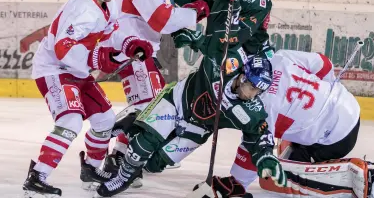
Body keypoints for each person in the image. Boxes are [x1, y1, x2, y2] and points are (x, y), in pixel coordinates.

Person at [21, 0, 154, 197]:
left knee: (104, 120)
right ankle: (36, 178)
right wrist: (98, 59)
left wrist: (130, 45)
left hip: (77, 71)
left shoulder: (108, 3)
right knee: (70, 121)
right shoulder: (81, 8)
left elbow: (111, 35)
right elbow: (63, 48)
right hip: (55, 69)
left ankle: (91, 170)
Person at [95, 42, 287, 197]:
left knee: (154, 164)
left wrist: (265, 155)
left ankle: (135, 129)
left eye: (259, 91)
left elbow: (259, 134)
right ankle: (124, 176)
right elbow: (207, 40)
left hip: (198, 129)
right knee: (145, 142)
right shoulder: (220, 64)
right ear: (243, 77)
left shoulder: (251, 110)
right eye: (252, 88)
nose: (254, 95)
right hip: (177, 100)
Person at [205, 49, 374, 198]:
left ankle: (358, 175)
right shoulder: (280, 58)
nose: (246, 93)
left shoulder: (264, 109)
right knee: (284, 145)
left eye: (251, 89)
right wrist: (325, 95)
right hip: (349, 103)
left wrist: (236, 184)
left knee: (276, 177)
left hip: (337, 138)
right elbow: (324, 64)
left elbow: (254, 147)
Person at [104, 0, 210, 175]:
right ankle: (112, 150)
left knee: (152, 102)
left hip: (137, 51)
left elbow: (171, 8)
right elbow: (162, 19)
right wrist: (198, 11)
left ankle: (121, 153)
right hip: (131, 50)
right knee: (149, 105)